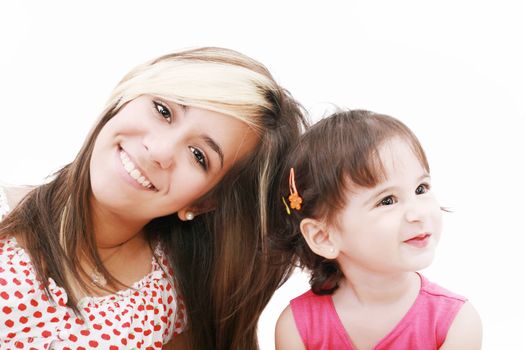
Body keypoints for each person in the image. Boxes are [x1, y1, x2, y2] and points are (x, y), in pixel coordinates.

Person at [0, 47, 307, 349]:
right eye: (163, 111)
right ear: (132, 92)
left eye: (199, 156)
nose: (159, 151)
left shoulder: (169, 306)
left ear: (202, 202)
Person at [272, 110, 482, 349]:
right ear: (323, 236)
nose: (418, 214)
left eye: (421, 189)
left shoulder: (456, 323)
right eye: (387, 201)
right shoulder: (297, 327)